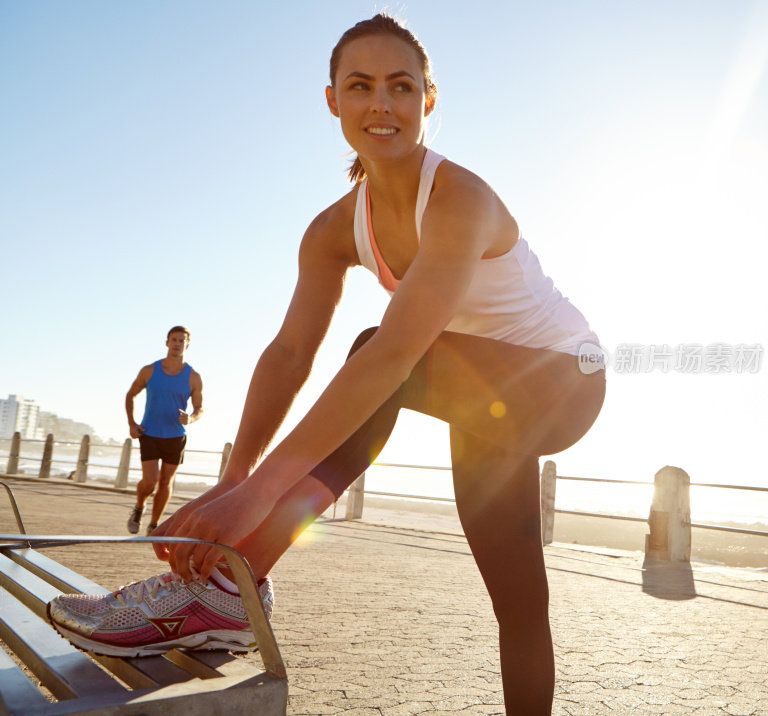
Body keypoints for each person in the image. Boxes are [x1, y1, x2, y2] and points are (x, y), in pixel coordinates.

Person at [49, 16, 604, 714]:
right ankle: (227, 590)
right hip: (481, 399)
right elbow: (288, 354)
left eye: (401, 87)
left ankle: (231, 587)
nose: (381, 103)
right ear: (333, 100)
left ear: (428, 100)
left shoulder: (461, 200)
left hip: (565, 381)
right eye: (360, 86)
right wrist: (238, 475)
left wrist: (259, 499)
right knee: (519, 599)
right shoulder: (333, 229)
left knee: (376, 347)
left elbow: (397, 354)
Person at [124, 325, 203, 535]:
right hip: (149, 432)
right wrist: (132, 423)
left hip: (176, 435)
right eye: (174, 340)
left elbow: (199, 409)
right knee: (150, 482)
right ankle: (139, 507)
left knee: (166, 482)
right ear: (167, 342)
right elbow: (130, 394)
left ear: (187, 344)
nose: (177, 344)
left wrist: (191, 418)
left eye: (181, 340)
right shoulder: (149, 370)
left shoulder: (193, 376)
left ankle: (153, 525)